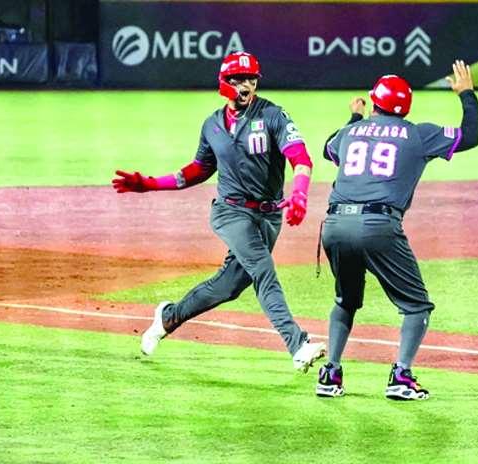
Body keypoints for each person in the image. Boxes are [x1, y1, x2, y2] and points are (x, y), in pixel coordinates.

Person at [112, 51, 326, 373]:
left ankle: (168, 317)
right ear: (224, 83)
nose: (246, 85)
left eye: (251, 79)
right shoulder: (212, 125)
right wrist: (150, 184)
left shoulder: (273, 115)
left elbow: (301, 158)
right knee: (263, 270)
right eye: (238, 79)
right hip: (230, 213)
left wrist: (300, 193)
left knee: (228, 286)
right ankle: (298, 344)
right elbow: (198, 170)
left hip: (268, 217)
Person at [315, 60, 478, 400]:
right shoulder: (418, 134)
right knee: (417, 306)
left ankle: (330, 374)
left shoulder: (350, 132)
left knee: (346, 300)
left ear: (374, 102)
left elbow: (328, 147)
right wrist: (466, 94)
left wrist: (356, 118)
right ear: (406, 108)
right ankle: (401, 377)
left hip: (334, 225)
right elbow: (471, 136)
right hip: (378, 227)